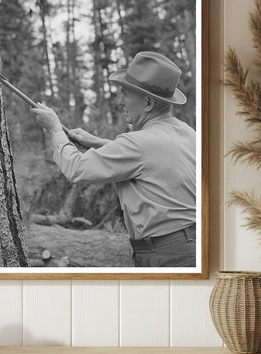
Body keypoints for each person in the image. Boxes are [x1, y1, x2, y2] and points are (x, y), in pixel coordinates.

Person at [31, 51, 196, 267]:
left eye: (125, 94)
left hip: (167, 255)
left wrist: (54, 129)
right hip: (191, 245)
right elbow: (151, 161)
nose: (120, 101)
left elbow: (77, 169)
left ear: (147, 103)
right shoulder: (186, 132)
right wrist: (96, 141)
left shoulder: (138, 143)